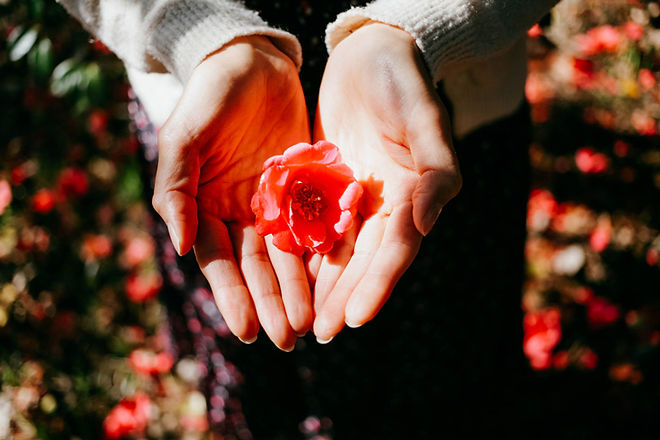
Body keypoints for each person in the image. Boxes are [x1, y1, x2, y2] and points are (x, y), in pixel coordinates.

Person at [58, 0, 557, 437]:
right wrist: (195, 33)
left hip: (438, 116)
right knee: (253, 354)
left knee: (443, 355)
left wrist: (423, 25)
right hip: (217, 128)